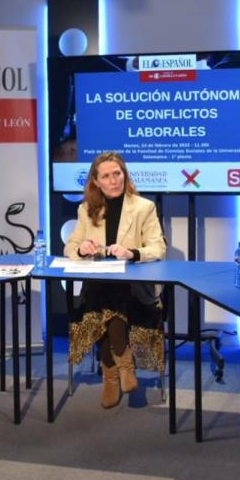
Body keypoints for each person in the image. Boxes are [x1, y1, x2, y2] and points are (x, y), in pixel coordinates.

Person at [63, 151, 167, 409]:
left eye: (117, 174)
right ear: (96, 182)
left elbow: (158, 247)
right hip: (99, 282)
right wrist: (81, 249)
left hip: (134, 288)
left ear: (125, 175)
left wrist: (131, 253)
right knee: (102, 297)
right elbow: (71, 245)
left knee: (109, 301)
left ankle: (113, 370)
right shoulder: (86, 209)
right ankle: (120, 368)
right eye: (106, 176)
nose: (113, 181)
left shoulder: (144, 207)